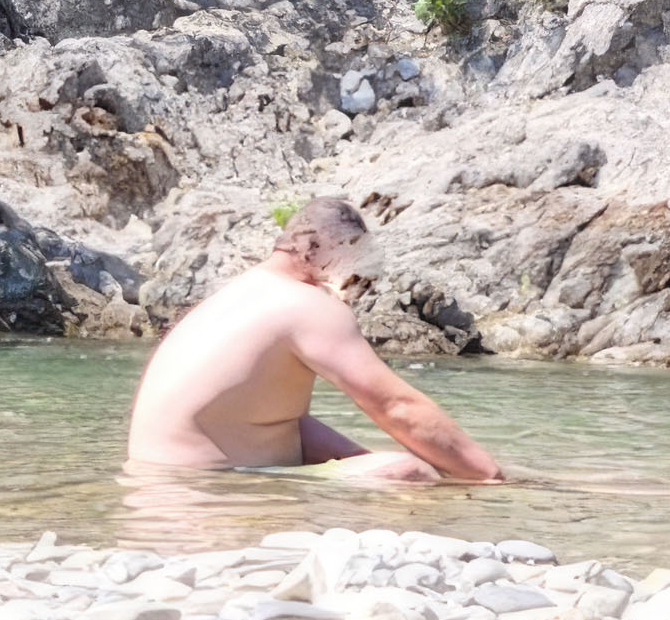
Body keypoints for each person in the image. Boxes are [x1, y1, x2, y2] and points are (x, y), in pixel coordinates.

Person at [124, 197, 503, 484]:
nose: (354, 285)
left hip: (150, 487)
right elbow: (395, 406)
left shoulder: (229, 299)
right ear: (322, 252)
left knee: (390, 463)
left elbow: (284, 423)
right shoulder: (306, 304)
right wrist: (490, 477)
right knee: (411, 473)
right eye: (354, 267)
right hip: (210, 491)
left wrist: (362, 456)